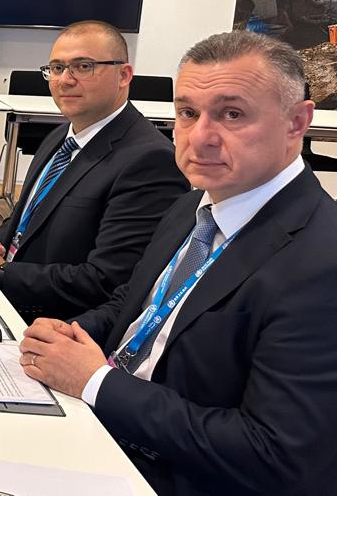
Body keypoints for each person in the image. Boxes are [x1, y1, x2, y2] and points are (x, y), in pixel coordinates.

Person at [19, 31, 337, 495]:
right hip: (99, 428)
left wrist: (97, 383)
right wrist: (69, 334)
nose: (199, 138)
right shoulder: (191, 207)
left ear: (296, 122)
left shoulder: (321, 261)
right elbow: (136, 304)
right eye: (187, 113)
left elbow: (276, 455)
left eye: (232, 114)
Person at [0, 21, 187, 321]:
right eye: (56, 68)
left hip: (56, 327)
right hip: (2, 299)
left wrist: (1, 272)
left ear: (124, 75)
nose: (65, 80)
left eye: (83, 66)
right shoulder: (61, 136)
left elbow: (107, 282)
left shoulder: (150, 161)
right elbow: (31, 218)